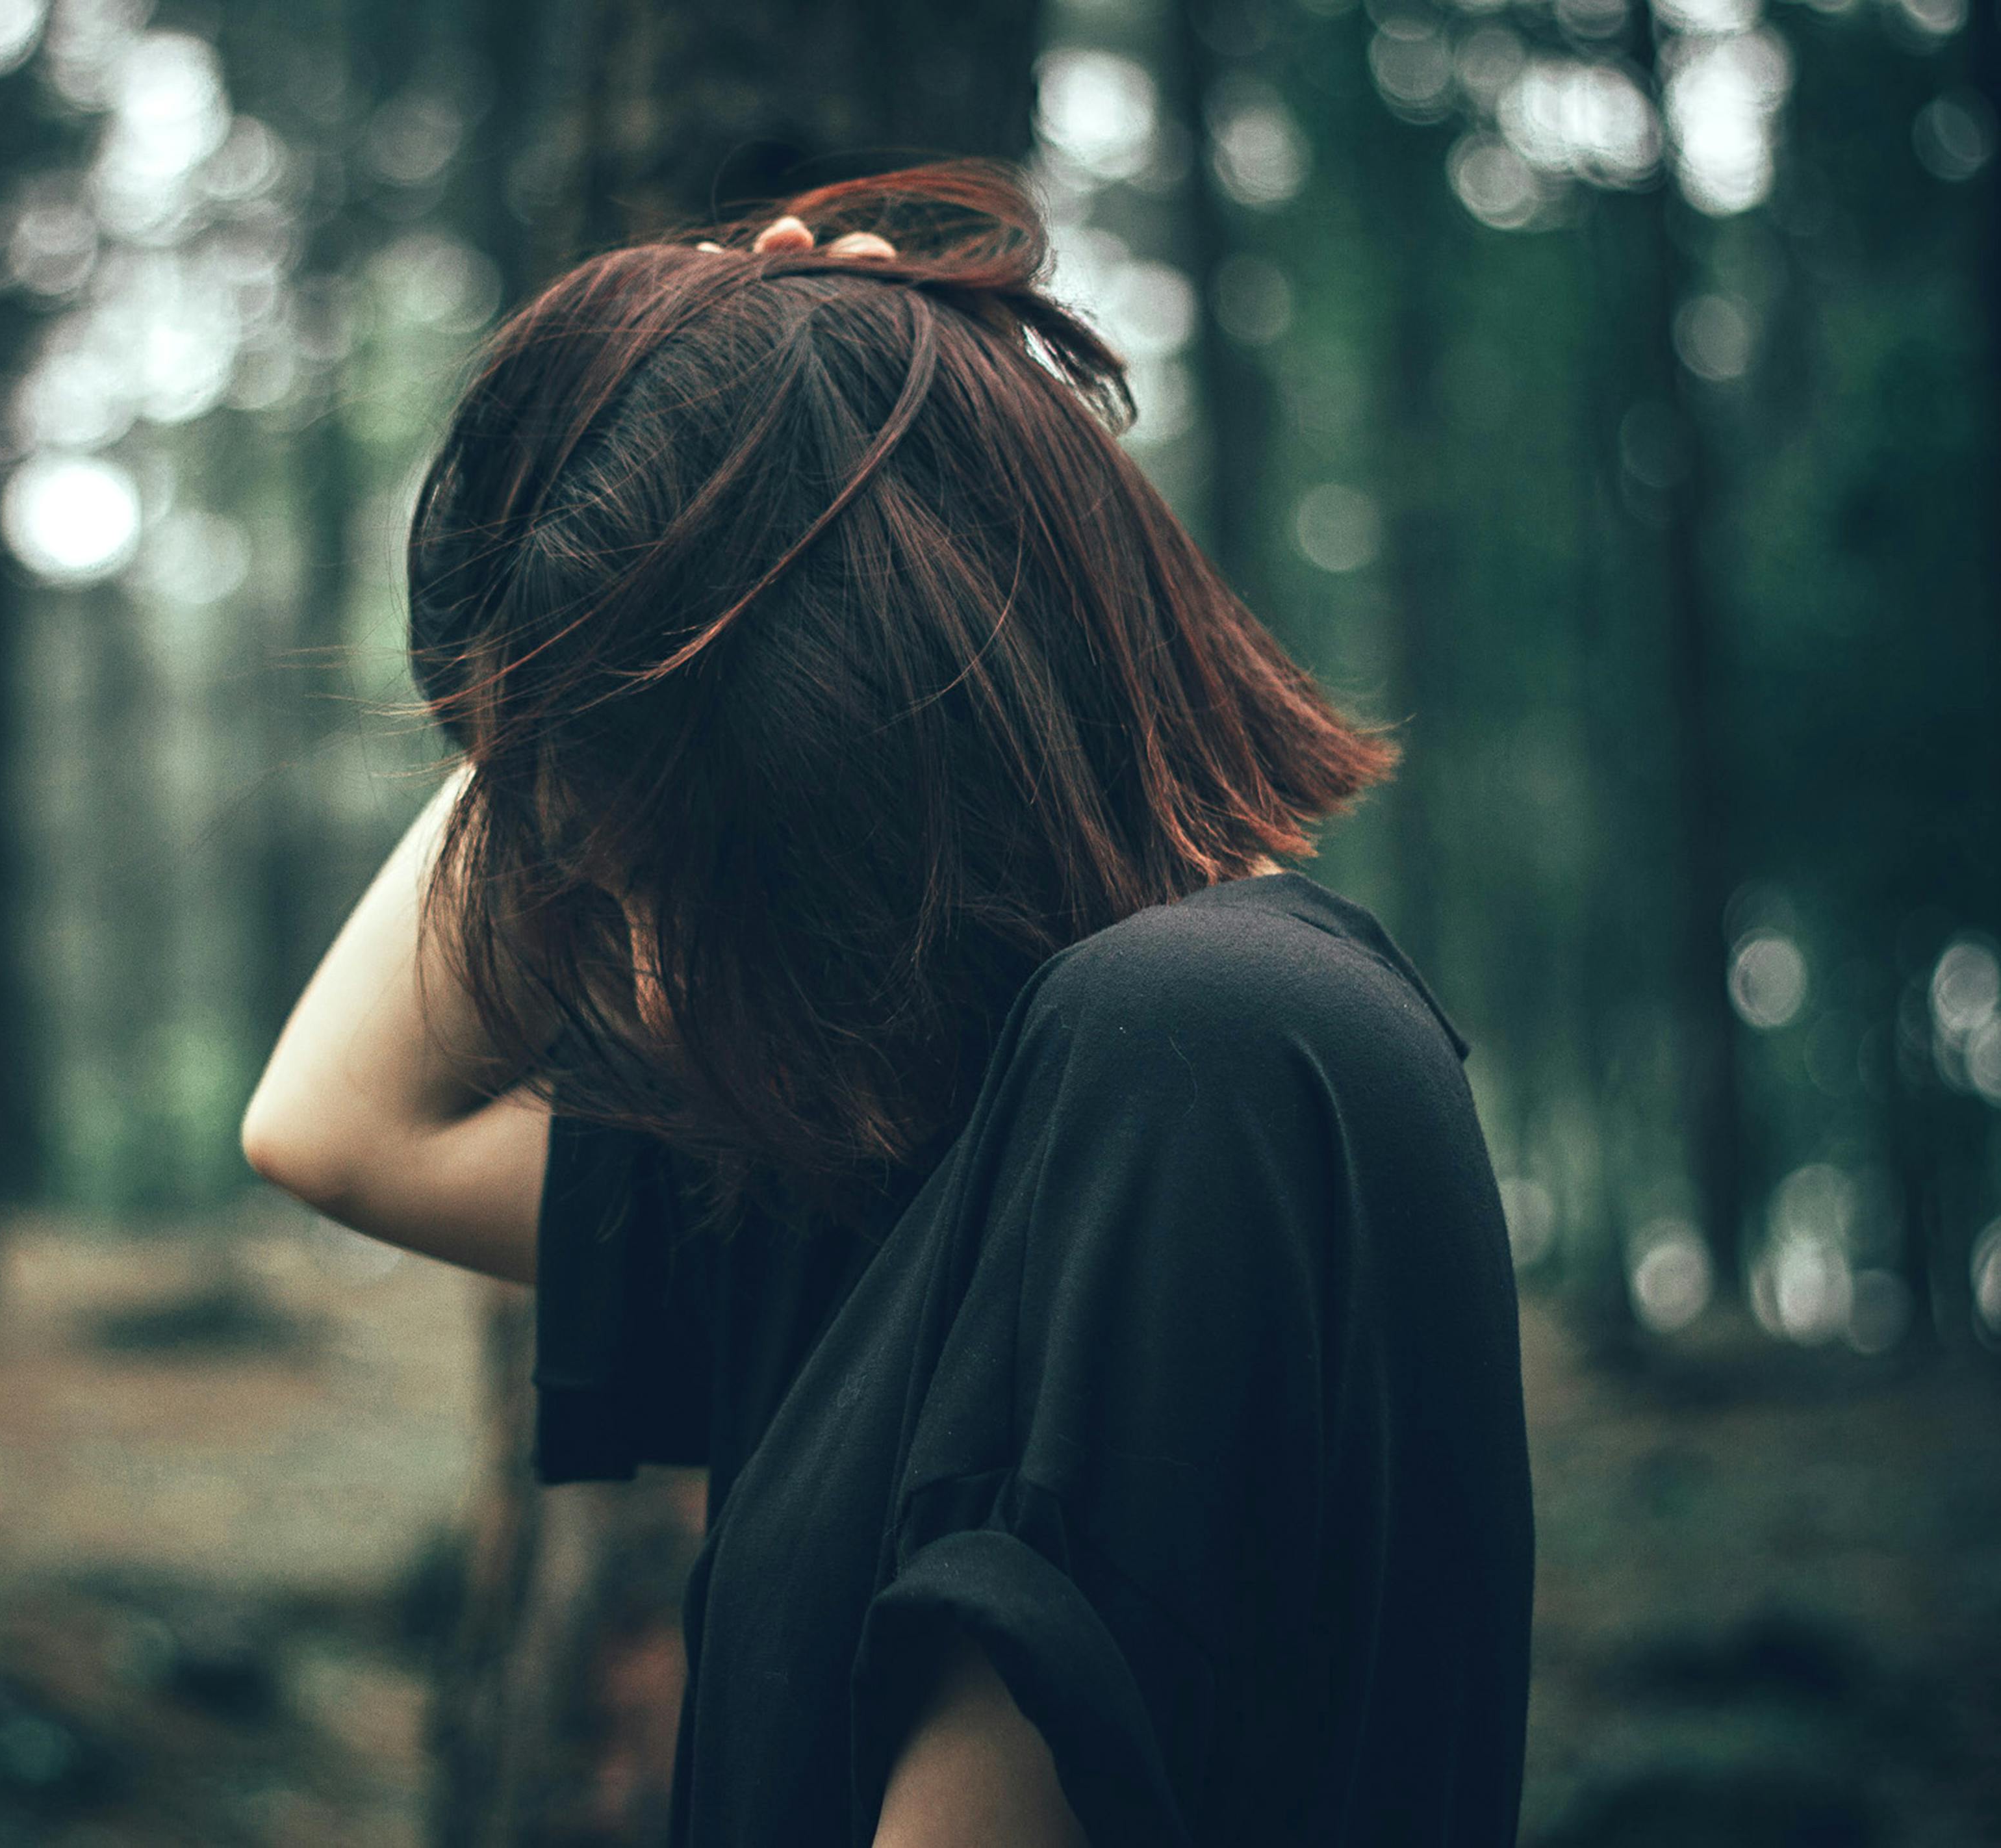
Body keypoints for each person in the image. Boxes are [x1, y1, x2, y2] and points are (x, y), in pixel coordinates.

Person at [241, 161, 1533, 1848]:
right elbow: (335, 1126)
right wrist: (694, 423)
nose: (628, 973)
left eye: (657, 878)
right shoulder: (896, 1177)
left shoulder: (1197, 1054)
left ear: (842, 779)